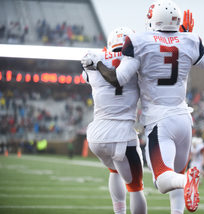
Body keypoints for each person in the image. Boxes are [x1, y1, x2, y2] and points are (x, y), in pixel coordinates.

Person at [81, 0, 204, 212]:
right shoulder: (189, 40)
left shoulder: (139, 41)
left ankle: (188, 182)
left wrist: (98, 64)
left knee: (164, 180)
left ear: (153, 20)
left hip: (160, 121)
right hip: (184, 120)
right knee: (176, 173)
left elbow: (119, 78)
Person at [82, 27, 147, 214]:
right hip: (121, 136)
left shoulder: (95, 60)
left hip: (96, 137)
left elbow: (86, 71)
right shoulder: (136, 63)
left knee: (115, 171)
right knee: (136, 188)